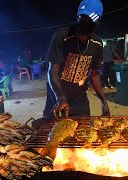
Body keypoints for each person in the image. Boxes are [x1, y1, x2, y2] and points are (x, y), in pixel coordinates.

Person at [32, 0, 109, 130]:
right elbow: (53, 71)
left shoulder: (97, 44)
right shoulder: (62, 36)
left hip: (80, 100)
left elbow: (94, 75)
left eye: (88, 19)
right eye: (81, 17)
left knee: (82, 135)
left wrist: (103, 101)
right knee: (52, 133)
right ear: (77, 17)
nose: (83, 21)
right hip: (57, 97)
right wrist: (60, 97)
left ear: (97, 22)